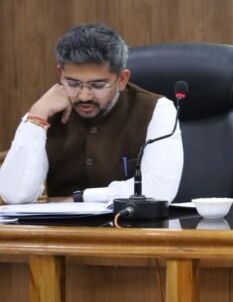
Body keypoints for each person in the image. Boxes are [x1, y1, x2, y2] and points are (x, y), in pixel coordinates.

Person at [0, 24, 184, 204]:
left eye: (97, 85)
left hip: (130, 223)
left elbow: (159, 190)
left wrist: (81, 198)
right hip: (61, 224)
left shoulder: (157, 110)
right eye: (73, 83)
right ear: (60, 74)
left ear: (121, 79)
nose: (84, 96)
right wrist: (37, 116)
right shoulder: (46, 111)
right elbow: (14, 195)